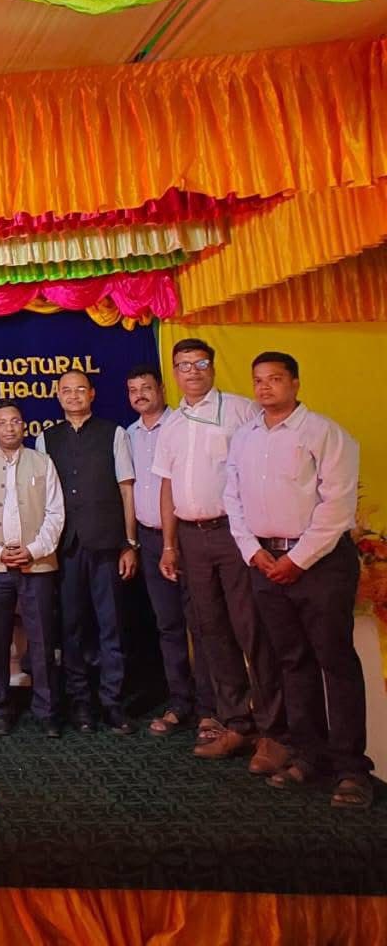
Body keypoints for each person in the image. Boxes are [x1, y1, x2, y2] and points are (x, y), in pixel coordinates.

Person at [226, 352, 372, 809]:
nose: (264, 387)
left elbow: (337, 507)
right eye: (258, 380)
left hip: (320, 564)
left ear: (295, 383)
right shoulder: (245, 437)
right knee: (292, 661)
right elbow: (232, 498)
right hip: (265, 562)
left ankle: (351, 768)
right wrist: (253, 551)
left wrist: (298, 559)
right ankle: (308, 754)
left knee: (335, 662)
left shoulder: (325, 433)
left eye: (275, 379)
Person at [153, 338, 286, 774]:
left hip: (235, 533)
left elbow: (263, 469)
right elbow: (168, 486)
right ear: (174, 373)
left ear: (211, 367)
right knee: (211, 631)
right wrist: (169, 544)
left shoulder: (242, 410)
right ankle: (236, 722)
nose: (192, 371)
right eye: (183, 365)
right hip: (191, 538)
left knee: (252, 629)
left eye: (200, 363)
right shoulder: (172, 423)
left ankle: (274, 730)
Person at [37, 369, 138, 735]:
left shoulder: (114, 433)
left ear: (92, 394)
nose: (74, 396)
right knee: (71, 628)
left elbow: (127, 490)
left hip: (107, 545)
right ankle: (80, 702)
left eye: (80, 389)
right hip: (65, 548)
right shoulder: (46, 439)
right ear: (58, 396)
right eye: (67, 390)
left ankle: (112, 702)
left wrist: (130, 543)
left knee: (111, 627)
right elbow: (43, 498)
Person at [0, 402, 65, 736]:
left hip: (37, 564)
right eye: (2, 422)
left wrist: (33, 550)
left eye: (15, 421)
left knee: (42, 639)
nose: (9, 427)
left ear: (24, 426)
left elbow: (56, 513)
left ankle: (47, 710)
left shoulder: (42, 462)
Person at [125, 365, 214, 737]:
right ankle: (180, 702)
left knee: (203, 623)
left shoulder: (181, 425)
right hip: (148, 540)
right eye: (133, 389)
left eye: (146, 387)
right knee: (168, 625)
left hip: (188, 537)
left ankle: (211, 708)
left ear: (162, 389)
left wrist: (172, 543)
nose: (140, 395)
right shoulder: (128, 435)